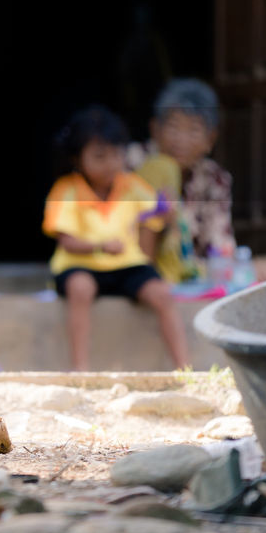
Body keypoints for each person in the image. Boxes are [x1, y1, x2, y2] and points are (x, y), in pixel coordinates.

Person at [43, 106, 191, 371]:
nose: (111, 163)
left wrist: (166, 213)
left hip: (127, 265)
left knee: (162, 294)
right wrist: (100, 246)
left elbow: (153, 217)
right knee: (80, 288)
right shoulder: (66, 190)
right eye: (100, 156)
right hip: (79, 265)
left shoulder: (132, 186)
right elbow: (66, 241)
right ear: (78, 159)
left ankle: (185, 368)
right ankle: (81, 370)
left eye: (117, 154)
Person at [128, 78, 266, 283]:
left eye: (194, 131)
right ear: (155, 129)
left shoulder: (215, 179)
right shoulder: (133, 163)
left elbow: (220, 244)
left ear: (210, 139)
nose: (181, 140)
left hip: (188, 273)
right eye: (173, 128)